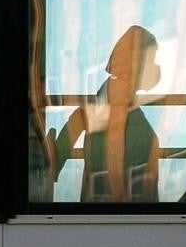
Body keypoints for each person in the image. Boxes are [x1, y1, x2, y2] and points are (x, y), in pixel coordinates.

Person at [52, 25, 162, 202]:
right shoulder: (115, 101)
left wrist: (54, 162)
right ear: (136, 61)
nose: (156, 67)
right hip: (121, 215)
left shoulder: (119, 100)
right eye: (152, 59)